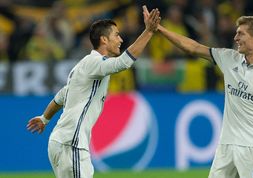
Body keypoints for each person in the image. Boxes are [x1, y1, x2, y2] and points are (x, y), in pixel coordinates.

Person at [143, 6, 253, 178]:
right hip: (226, 147)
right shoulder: (229, 58)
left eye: (241, 34)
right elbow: (192, 47)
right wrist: (159, 29)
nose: (235, 37)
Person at [26, 7, 161, 178]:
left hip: (62, 142)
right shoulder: (95, 63)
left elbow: (60, 97)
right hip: (71, 143)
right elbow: (123, 63)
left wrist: (44, 118)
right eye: (116, 35)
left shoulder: (81, 67)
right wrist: (148, 32)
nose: (120, 39)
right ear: (104, 39)